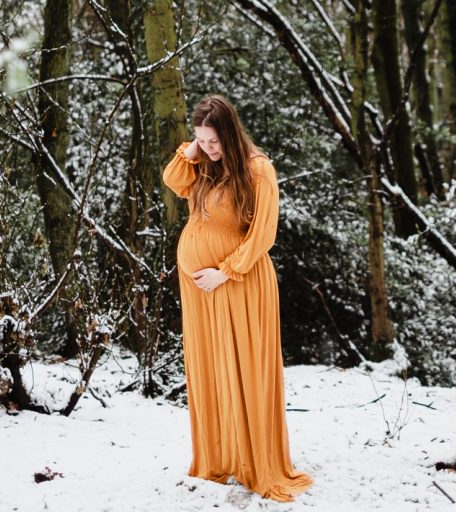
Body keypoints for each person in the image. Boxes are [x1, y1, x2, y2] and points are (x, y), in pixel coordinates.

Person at [162, 94, 313, 502]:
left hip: (239, 282)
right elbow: (173, 180)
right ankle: (220, 457)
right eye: (202, 142)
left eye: (214, 141)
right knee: (210, 368)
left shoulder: (258, 169)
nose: (209, 149)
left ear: (230, 132)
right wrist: (194, 147)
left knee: (244, 369)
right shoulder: (206, 170)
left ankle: (255, 461)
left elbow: (264, 234)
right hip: (202, 289)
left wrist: (225, 271)